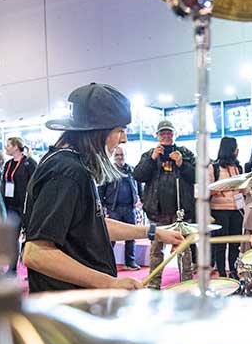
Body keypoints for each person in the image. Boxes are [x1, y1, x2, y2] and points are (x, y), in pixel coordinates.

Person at [21, 83, 183, 293]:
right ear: (96, 132)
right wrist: (109, 282)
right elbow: (36, 253)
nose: (123, 139)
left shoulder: (71, 165)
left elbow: (91, 224)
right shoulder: (67, 171)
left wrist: (153, 232)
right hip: (70, 305)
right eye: (119, 130)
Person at [133, 119, 197, 288]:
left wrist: (182, 164)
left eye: (169, 133)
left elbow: (197, 176)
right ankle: (154, 284)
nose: (166, 137)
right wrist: (152, 159)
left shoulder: (185, 153)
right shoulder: (149, 155)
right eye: (163, 133)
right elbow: (138, 175)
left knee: (184, 250)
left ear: (174, 135)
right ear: (157, 136)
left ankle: (187, 283)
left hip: (181, 212)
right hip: (156, 213)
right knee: (155, 251)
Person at [208, 137, 245, 279]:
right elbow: (207, 190)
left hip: (237, 210)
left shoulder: (238, 167)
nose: (237, 150)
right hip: (219, 210)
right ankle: (222, 273)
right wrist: (220, 187)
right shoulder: (214, 167)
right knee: (221, 244)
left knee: (235, 243)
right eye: (236, 147)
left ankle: (234, 271)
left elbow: (243, 190)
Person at [100, 145, 142, 271]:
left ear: (125, 156)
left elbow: (140, 187)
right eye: (117, 155)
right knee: (111, 237)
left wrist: (143, 201)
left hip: (130, 208)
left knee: (131, 236)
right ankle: (106, 261)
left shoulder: (133, 170)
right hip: (114, 208)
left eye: (121, 155)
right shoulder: (108, 170)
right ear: (114, 156)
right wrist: (101, 205)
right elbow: (101, 189)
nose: (119, 157)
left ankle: (130, 261)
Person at [0, 136, 37, 275]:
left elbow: (35, 185)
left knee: (29, 237)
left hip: (26, 207)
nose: (6, 148)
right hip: (10, 207)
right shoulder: (8, 164)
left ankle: (33, 268)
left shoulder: (29, 163)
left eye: (8, 145)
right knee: (11, 238)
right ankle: (12, 268)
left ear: (16, 147)